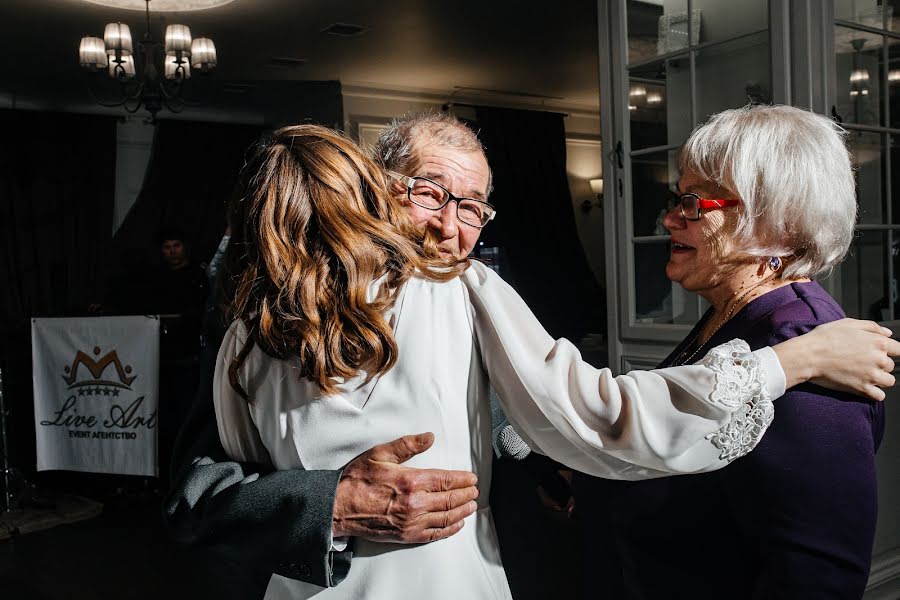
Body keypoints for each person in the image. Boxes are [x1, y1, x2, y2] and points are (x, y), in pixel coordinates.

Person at [212, 123, 898, 600]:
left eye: (474, 206)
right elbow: (598, 414)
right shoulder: (275, 317)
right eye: (429, 192)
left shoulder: (251, 315)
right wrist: (789, 363)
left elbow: (815, 565)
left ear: (776, 222)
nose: (450, 225)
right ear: (380, 188)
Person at [574, 105, 889, 599]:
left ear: (778, 222)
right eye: (676, 199)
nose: (670, 218)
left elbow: (815, 580)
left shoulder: (809, 347)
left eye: (694, 203)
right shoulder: (728, 313)